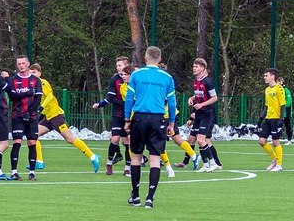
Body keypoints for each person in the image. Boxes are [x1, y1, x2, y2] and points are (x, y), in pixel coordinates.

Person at [123, 46, 177, 208]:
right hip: (158, 120)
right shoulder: (167, 77)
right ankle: (150, 198)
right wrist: (171, 123)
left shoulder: (136, 74)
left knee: (136, 157)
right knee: (155, 158)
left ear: (145, 58)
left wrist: (127, 119)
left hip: (139, 118)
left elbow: (129, 98)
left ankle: (135, 196)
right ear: (160, 59)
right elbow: (172, 103)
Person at [29, 64, 100, 172]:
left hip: (56, 117)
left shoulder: (42, 82)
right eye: (30, 73)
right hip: (48, 118)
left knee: (70, 139)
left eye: (34, 72)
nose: (32, 74)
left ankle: (93, 157)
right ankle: (39, 161)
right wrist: (41, 114)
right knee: (33, 135)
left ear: (39, 73)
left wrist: (41, 107)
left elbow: (50, 96)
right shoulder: (33, 86)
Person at [91, 57, 130, 175]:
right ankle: (109, 164)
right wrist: (101, 104)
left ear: (126, 66)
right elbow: (111, 97)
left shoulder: (134, 79)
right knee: (115, 139)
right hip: (118, 114)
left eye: (120, 65)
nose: (117, 67)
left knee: (128, 141)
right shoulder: (114, 79)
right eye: (117, 65)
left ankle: (127, 168)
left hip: (130, 115)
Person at [6, 55, 43, 180]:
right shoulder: (13, 80)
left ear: (28, 64)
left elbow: (38, 98)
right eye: (19, 64)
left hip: (32, 116)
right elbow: (12, 97)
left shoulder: (35, 80)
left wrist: (29, 112)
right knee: (17, 142)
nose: (21, 66)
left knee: (32, 143)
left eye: (23, 63)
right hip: (17, 116)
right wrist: (27, 93)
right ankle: (14, 172)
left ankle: (32, 172)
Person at [188, 58, 222, 171]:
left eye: (196, 66)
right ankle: (206, 164)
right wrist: (191, 98)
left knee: (201, 140)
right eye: (193, 66)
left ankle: (213, 163)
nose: (194, 68)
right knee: (198, 140)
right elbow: (198, 95)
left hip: (207, 114)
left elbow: (214, 98)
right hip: (198, 114)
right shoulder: (196, 81)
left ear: (202, 68)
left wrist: (201, 105)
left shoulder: (208, 82)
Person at [257, 68, 287, 171]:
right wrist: (261, 118)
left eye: (266, 75)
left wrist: (281, 119)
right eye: (264, 76)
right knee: (262, 141)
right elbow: (266, 106)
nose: (264, 77)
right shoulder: (267, 90)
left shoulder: (279, 88)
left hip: (276, 118)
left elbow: (283, 105)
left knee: (275, 141)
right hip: (268, 119)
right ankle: (275, 159)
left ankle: (279, 165)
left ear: (272, 76)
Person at [279, 75, 294, 141]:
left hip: (286, 112)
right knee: (276, 126)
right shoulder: (276, 90)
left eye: (279, 82)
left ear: (282, 82)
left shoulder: (286, 90)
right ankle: (275, 138)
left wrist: (282, 105)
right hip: (279, 112)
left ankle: (289, 140)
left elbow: (289, 102)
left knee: (287, 126)